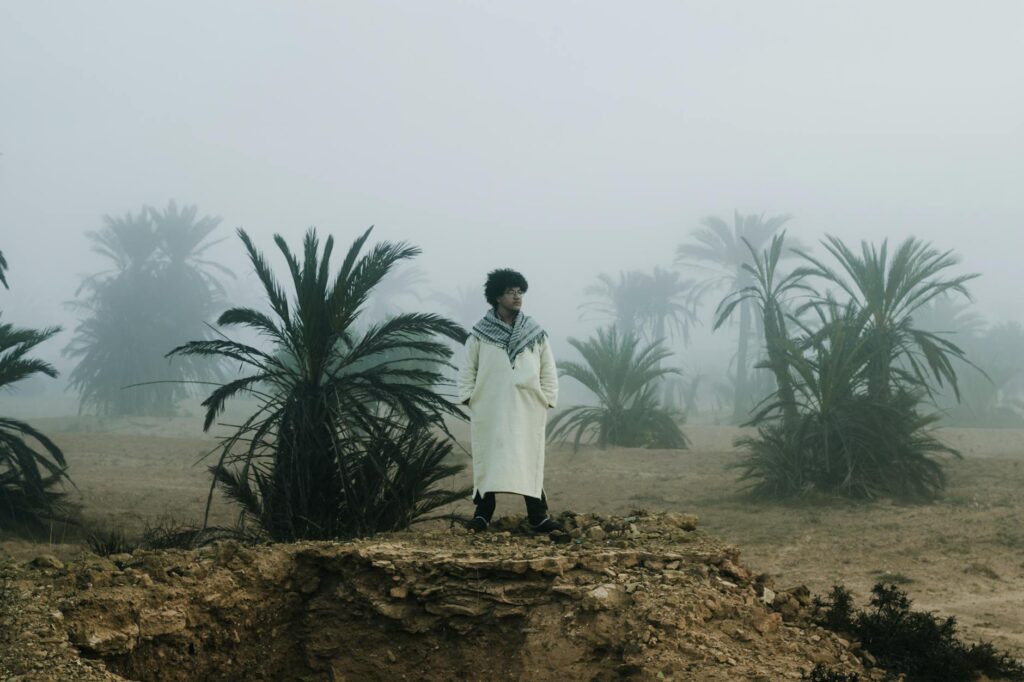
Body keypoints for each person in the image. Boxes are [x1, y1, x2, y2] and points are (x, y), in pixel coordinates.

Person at [457, 268, 562, 533]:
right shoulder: (480, 334)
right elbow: (468, 369)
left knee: (528, 455)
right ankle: (483, 514)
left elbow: (548, 369)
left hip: (527, 406)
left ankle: (537, 516)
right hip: (490, 407)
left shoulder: (535, 333)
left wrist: (546, 399)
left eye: (519, 291)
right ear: (496, 297)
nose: (517, 297)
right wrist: (471, 398)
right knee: (489, 456)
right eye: (510, 292)